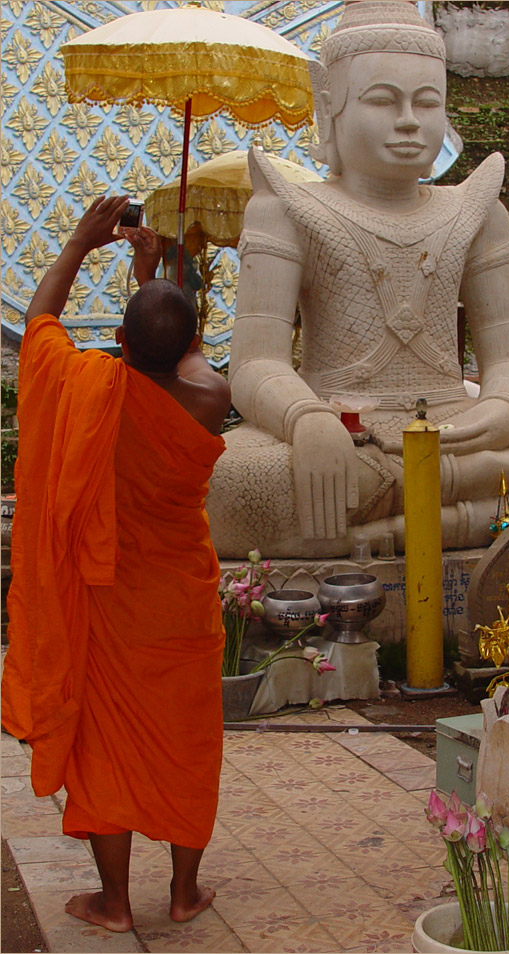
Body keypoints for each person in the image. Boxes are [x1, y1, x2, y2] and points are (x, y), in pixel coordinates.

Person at [206, 0, 509, 559]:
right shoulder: (287, 209)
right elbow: (255, 363)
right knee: (227, 483)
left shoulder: (476, 211)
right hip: (351, 435)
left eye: (428, 102)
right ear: (328, 112)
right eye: (382, 100)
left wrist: (505, 409)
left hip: (464, 433)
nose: (409, 121)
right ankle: (483, 521)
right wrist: (306, 420)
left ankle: (390, 535)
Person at [1, 196, 232, 932]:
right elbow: (173, 349)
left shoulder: (88, 387)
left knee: (109, 745)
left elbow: (40, 329)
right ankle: (185, 892)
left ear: (122, 342)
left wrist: (77, 243)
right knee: (187, 740)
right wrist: (155, 273)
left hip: (111, 604)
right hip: (179, 603)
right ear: (192, 341)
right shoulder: (209, 397)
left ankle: (115, 901)